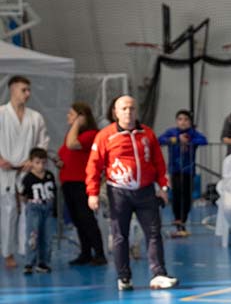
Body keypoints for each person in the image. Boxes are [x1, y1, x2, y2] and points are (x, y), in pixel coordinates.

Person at [86, 95, 178, 290]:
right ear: (115, 112)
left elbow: (159, 163)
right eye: (124, 108)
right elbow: (93, 165)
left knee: (153, 233)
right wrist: (92, 192)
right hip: (118, 193)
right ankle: (124, 277)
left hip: (145, 191)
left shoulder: (147, 134)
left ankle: (159, 274)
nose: (128, 112)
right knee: (120, 236)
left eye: (132, 108)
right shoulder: (105, 136)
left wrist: (163, 187)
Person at [0, 75, 51, 269]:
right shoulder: (1, 114)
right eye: (23, 90)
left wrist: (33, 161)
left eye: (29, 90)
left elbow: (43, 141)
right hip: (4, 170)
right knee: (8, 211)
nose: (27, 94)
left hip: (28, 170)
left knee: (29, 212)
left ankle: (28, 250)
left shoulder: (35, 117)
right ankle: (8, 253)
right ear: (12, 90)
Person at [58, 102, 106, 265]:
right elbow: (65, 151)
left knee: (86, 218)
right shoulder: (72, 134)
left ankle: (99, 252)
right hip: (68, 181)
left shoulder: (91, 135)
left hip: (81, 182)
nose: (68, 117)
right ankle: (85, 252)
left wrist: (77, 123)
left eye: (72, 114)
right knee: (77, 219)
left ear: (82, 117)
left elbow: (72, 144)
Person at [158, 109, 208, 237]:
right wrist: (176, 140)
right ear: (176, 121)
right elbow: (160, 140)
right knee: (176, 194)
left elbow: (204, 140)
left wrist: (189, 141)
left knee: (187, 195)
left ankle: (183, 219)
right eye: (180, 119)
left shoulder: (193, 133)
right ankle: (177, 219)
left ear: (190, 122)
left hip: (188, 170)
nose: (183, 122)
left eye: (186, 119)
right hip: (175, 169)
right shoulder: (172, 132)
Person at [19, 147, 56, 275]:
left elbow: (54, 192)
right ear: (31, 163)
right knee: (33, 235)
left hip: (48, 209)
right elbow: (23, 195)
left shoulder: (50, 176)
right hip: (34, 208)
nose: (40, 166)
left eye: (43, 163)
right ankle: (30, 262)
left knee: (47, 236)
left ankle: (43, 263)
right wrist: (30, 205)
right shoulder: (28, 178)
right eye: (37, 163)